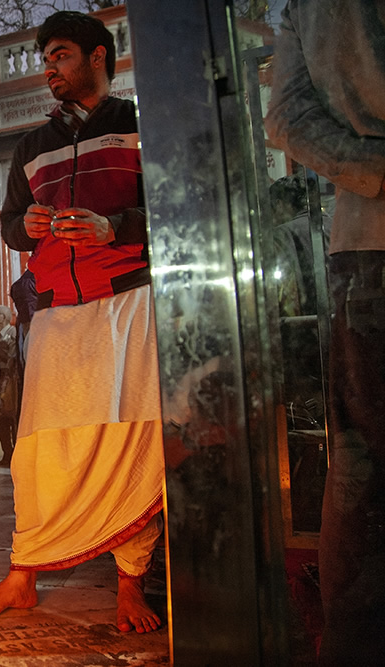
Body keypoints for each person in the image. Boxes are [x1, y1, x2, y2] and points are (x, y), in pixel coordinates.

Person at [0, 11, 165, 634]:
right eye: (46, 57)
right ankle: (24, 574)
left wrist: (115, 228)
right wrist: (24, 226)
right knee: (38, 452)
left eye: (60, 55)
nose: (49, 67)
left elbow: (173, 209)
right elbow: (7, 223)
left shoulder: (137, 127)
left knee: (134, 440)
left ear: (98, 57)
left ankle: (129, 586)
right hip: (55, 313)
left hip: (129, 302)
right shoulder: (32, 146)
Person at [265, 2, 385, 663]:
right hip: (365, 248)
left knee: (362, 468)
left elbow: (284, 116)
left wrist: (368, 170)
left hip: (362, 241)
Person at [0, 304, 19, 466]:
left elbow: (11, 354)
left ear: (7, 317)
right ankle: (6, 452)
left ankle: (15, 453)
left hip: (9, 379)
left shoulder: (12, 332)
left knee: (11, 416)